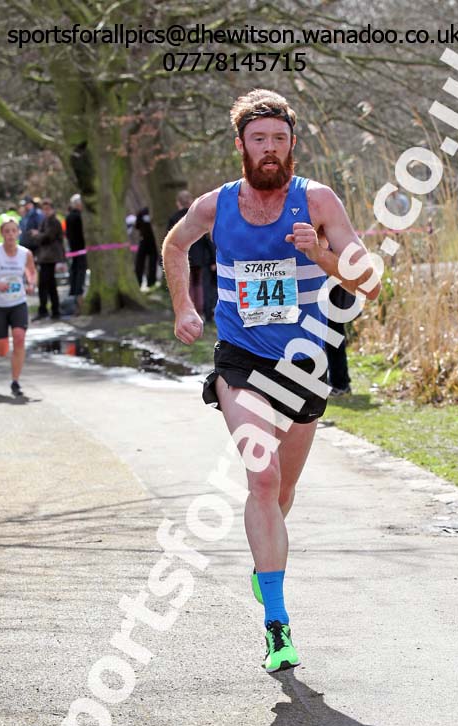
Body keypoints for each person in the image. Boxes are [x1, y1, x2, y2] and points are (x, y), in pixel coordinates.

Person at [162, 89, 380, 673]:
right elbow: (175, 243)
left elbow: (371, 281)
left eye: (279, 140)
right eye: (258, 139)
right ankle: (278, 626)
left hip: (305, 362)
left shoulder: (318, 200)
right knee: (262, 477)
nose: (269, 149)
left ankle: (266, 570)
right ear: (241, 145)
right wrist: (184, 307)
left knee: (282, 496)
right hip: (242, 361)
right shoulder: (216, 206)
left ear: (291, 146)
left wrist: (325, 255)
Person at [0, 218, 37, 396]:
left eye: (13, 231)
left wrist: (32, 284)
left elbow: (31, 272)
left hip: (18, 302)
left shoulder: (25, 253)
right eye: (7, 231)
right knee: (2, 351)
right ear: (2, 234)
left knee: (19, 337)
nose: (10, 234)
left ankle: (15, 382)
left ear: (19, 233)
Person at [168, 191, 217, 318]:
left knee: (187, 285)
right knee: (199, 284)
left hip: (183, 257)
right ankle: (201, 311)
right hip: (200, 257)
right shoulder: (197, 216)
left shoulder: (174, 218)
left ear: (178, 203)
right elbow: (207, 240)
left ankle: (189, 312)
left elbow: (169, 241)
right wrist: (213, 259)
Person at [33, 198, 65, 320]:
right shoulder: (45, 221)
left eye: (47, 209)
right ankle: (53, 310)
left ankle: (46, 310)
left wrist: (37, 235)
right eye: (44, 209)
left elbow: (47, 237)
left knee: (45, 284)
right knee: (50, 285)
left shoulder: (54, 222)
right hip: (45, 257)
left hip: (50, 257)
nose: (45, 211)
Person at [65, 194, 87, 313]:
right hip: (80, 248)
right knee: (80, 270)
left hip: (73, 249)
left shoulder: (68, 217)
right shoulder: (78, 217)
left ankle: (73, 290)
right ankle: (78, 292)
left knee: (74, 269)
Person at [135, 207, 158, 288]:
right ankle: (150, 282)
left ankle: (140, 281)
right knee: (151, 262)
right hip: (152, 241)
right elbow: (137, 226)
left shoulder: (141, 212)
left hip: (146, 240)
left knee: (140, 262)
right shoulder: (151, 212)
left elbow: (137, 226)